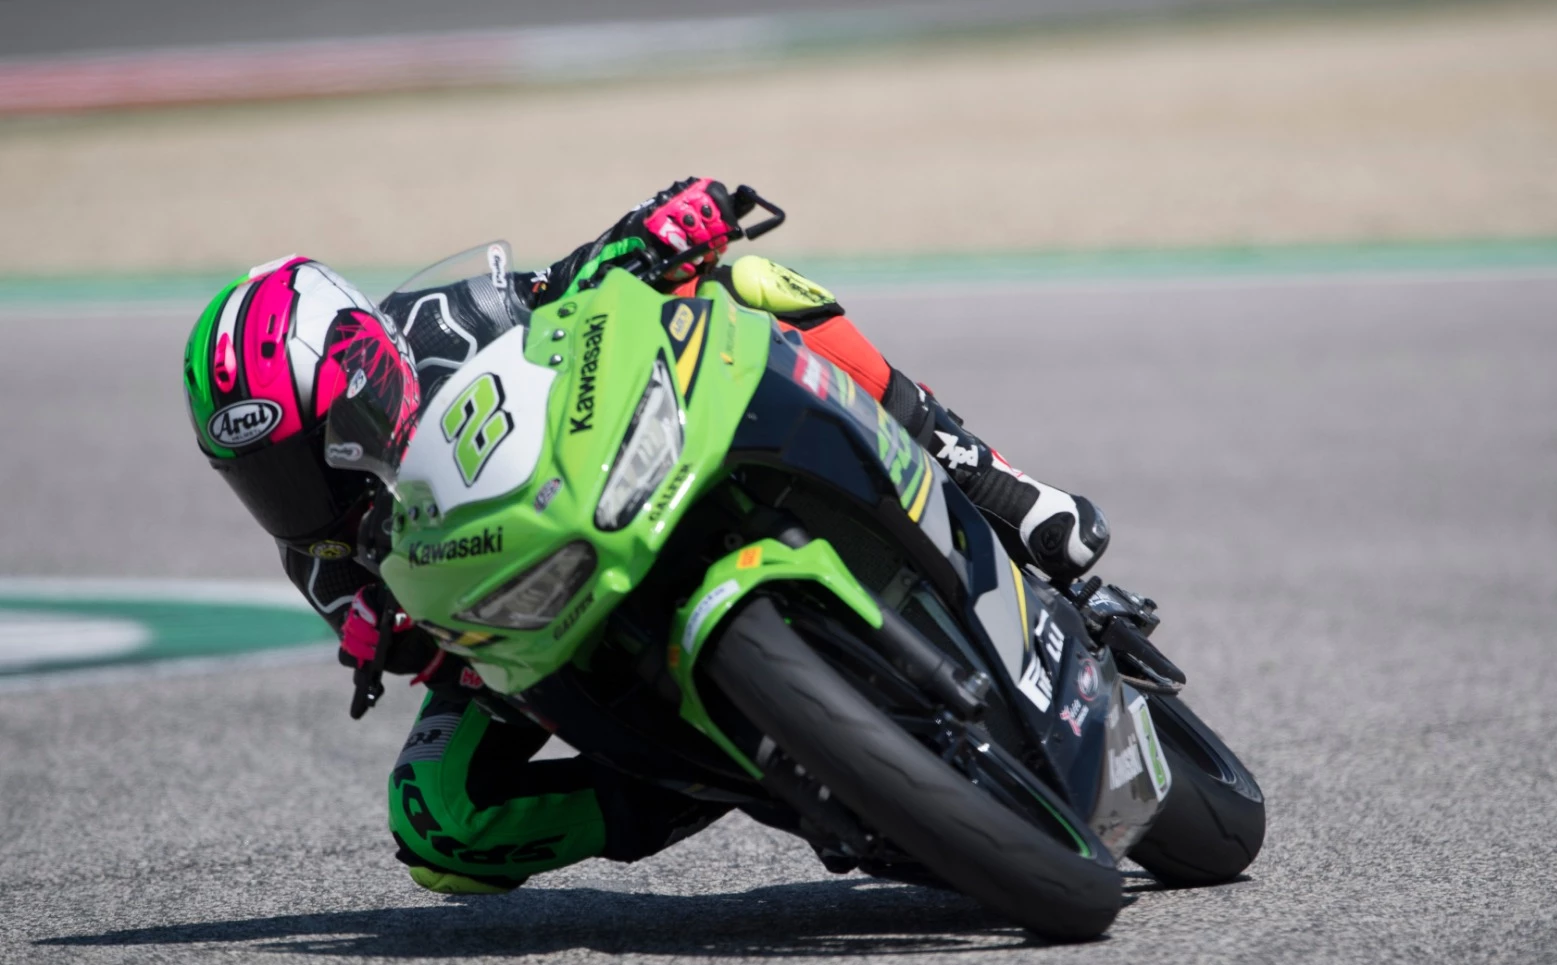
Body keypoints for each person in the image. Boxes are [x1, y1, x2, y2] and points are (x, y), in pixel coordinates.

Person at [182, 178, 1111, 894]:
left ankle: (995, 485)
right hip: (534, 628)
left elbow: (569, 285)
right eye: (268, 480)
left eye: (316, 449)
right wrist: (418, 646)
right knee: (436, 822)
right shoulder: (322, 560)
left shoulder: (440, 322)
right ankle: (717, 776)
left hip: (621, 471)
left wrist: (658, 227)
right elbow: (442, 663)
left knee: (751, 281)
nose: (312, 491)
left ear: (363, 365)